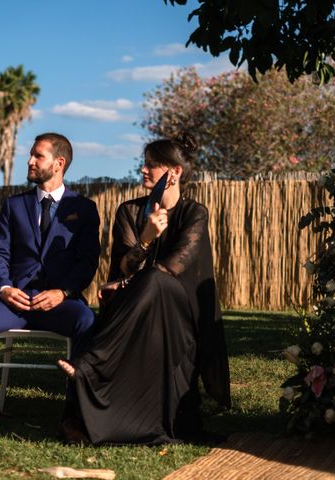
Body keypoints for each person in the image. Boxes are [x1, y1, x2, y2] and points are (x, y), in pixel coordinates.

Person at [57, 134, 231, 445]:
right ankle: (101, 411)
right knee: (149, 281)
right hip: (137, 308)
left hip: (180, 311)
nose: (143, 171)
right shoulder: (129, 211)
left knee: (155, 279)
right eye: (144, 164)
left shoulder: (194, 213)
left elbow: (174, 267)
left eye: (152, 165)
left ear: (174, 172)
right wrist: (147, 238)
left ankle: (92, 362)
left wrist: (126, 283)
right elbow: (124, 264)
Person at [0, 132, 101, 447]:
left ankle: (73, 418)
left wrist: (63, 293)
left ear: (59, 163)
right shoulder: (15, 206)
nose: (29, 161)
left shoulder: (84, 208)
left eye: (38, 156)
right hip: (13, 301)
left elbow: (87, 262)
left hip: (58, 304)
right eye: (31, 154)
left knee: (88, 322)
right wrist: (2, 288)